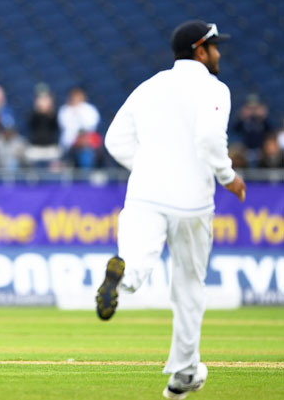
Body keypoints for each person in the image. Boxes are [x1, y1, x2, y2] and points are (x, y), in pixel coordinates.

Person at [95, 20, 246, 399]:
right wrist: (228, 176)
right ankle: (182, 370)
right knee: (188, 286)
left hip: (145, 193)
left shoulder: (150, 86)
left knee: (136, 262)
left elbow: (115, 140)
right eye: (214, 47)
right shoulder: (214, 88)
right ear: (200, 50)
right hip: (192, 200)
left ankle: (122, 275)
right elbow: (211, 138)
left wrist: (147, 167)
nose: (219, 53)